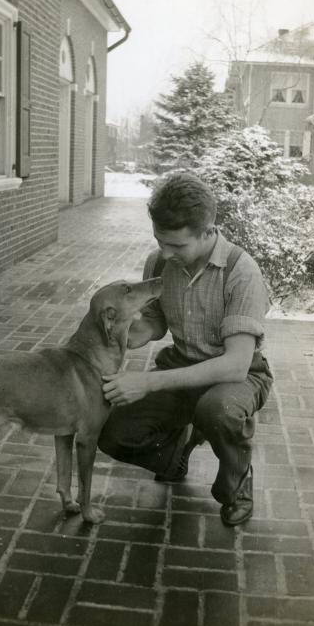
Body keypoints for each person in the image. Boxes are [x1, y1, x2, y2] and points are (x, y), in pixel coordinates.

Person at [98, 172, 273, 526]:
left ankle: (235, 485)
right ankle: (175, 454)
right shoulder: (161, 262)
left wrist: (146, 383)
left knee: (219, 410)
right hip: (182, 366)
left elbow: (235, 366)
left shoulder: (242, 273)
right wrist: (130, 333)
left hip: (237, 378)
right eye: (160, 241)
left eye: (177, 246)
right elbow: (156, 322)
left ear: (208, 231)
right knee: (111, 433)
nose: (165, 253)